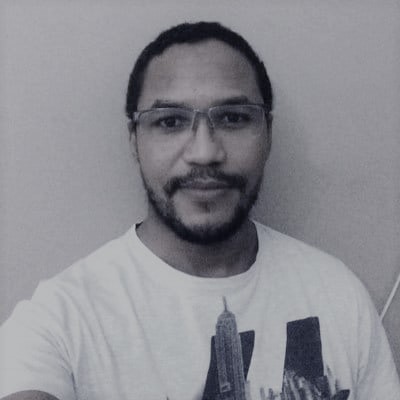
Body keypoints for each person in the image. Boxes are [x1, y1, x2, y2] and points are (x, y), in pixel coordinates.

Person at [0, 21, 399, 400]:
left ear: (267, 133)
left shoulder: (337, 295)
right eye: (170, 121)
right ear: (134, 140)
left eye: (233, 118)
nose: (205, 152)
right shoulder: (61, 321)